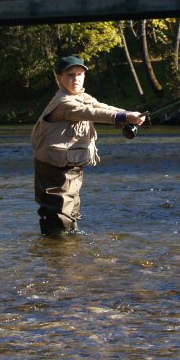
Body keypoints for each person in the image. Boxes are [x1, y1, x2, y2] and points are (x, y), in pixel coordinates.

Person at [31, 55, 146, 234]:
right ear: (59, 77)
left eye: (80, 74)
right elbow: (90, 113)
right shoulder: (62, 103)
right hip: (53, 168)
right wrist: (124, 118)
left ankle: (67, 251)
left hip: (71, 165)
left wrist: (127, 114)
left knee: (72, 212)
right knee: (59, 214)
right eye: (70, 75)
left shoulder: (82, 96)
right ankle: (57, 253)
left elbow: (101, 107)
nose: (76, 78)